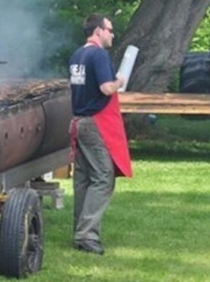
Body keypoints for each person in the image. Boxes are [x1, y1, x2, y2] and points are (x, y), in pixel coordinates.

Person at [68, 13, 133, 255]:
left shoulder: (77, 55)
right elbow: (106, 88)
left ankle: (79, 230)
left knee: (84, 178)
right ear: (98, 31)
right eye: (109, 30)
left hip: (78, 121)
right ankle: (87, 235)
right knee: (104, 177)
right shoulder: (98, 55)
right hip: (95, 123)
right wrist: (119, 81)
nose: (112, 34)